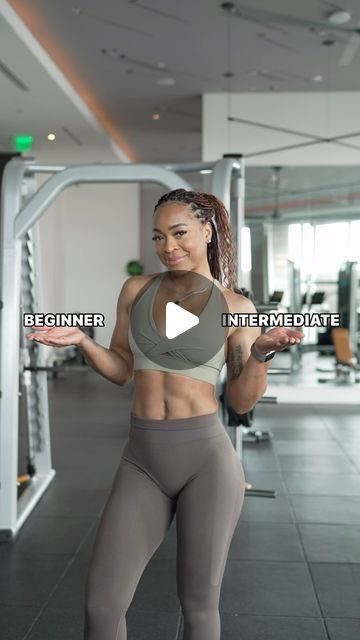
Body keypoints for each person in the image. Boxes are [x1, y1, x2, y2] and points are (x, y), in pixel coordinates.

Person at [26, 189, 304, 640]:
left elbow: (241, 401)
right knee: (101, 605)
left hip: (206, 463)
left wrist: (259, 354)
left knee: (198, 606)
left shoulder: (234, 306)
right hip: (142, 459)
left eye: (179, 234)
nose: (168, 247)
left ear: (207, 232)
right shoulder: (137, 290)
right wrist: (82, 342)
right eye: (158, 236)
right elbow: (122, 370)